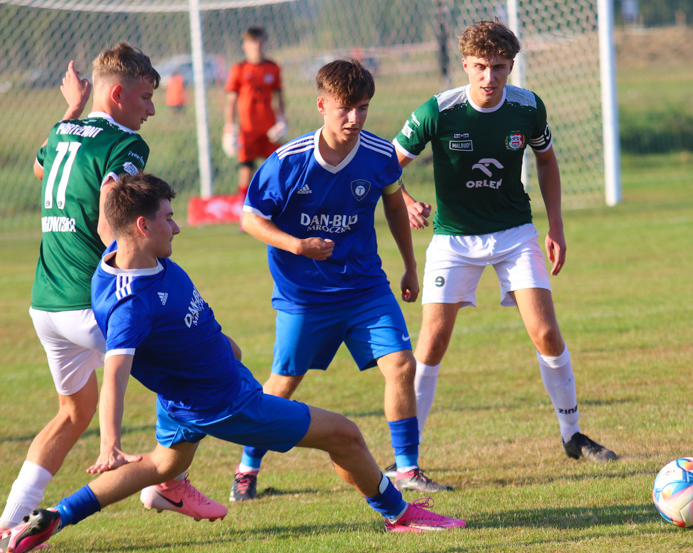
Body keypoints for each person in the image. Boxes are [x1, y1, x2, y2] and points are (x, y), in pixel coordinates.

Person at [1, 173, 465, 553]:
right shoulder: (131, 306)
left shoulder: (115, 254)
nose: (177, 227)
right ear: (143, 227)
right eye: (168, 218)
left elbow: (109, 224)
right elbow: (116, 373)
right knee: (345, 434)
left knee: (162, 465)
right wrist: (110, 443)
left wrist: (110, 189)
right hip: (225, 403)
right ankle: (400, 515)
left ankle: (56, 517)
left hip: (184, 397)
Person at [0, 43, 223, 547]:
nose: (150, 109)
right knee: (212, 360)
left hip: (46, 304)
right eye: (145, 97)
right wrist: (137, 271)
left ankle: (7, 522)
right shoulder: (126, 145)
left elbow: (42, 171)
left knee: (73, 412)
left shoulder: (62, 130)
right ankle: (169, 483)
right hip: (90, 301)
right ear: (118, 94)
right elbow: (109, 220)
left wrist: (73, 109)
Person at [391, 19, 617, 469]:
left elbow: (547, 161)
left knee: (547, 333)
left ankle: (572, 435)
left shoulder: (528, 107)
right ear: (465, 65)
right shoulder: (438, 111)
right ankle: (406, 461)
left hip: (515, 234)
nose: (488, 78)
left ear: (511, 65)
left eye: (498, 67)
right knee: (432, 341)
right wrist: (409, 200)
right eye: (479, 67)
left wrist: (555, 226)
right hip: (453, 240)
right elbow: (387, 165)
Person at [231, 59, 452, 502]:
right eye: (345, 109)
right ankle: (246, 470)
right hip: (305, 296)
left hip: (365, 287)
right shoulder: (288, 162)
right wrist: (297, 245)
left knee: (402, 365)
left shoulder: (378, 154)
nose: (354, 119)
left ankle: (406, 468)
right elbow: (249, 219)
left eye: (363, 108)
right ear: (321, 105)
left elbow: (393, 207)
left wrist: (410, 266)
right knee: (283, 384)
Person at [223, 26, 287, 204]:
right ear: (245, 46)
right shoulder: (239, 69)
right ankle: (244, 213)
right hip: (247, 129)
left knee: (276, 168)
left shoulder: (272, 67)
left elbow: (279, 97)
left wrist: (282, 120)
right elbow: (231, 101)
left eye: (259, 42)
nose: (256, 46)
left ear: (264, 43)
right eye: (252, 43)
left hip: (269, 129)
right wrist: (230, 128)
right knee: (246, 169)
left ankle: (275, 208)